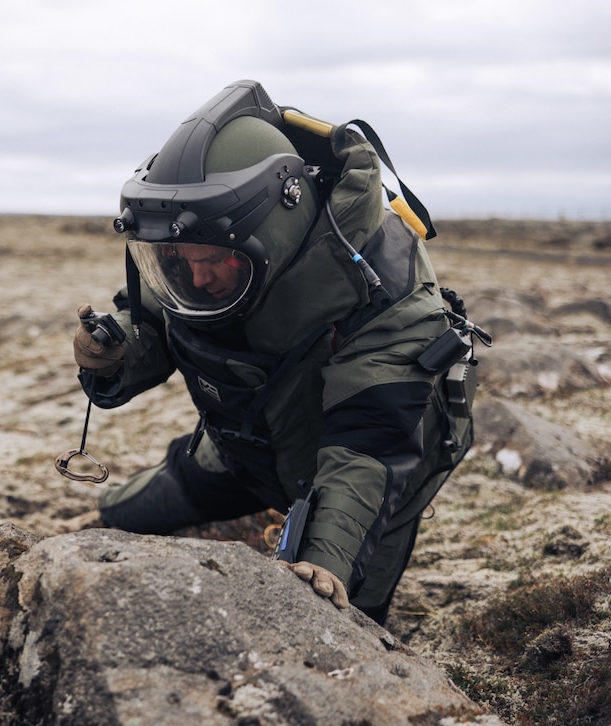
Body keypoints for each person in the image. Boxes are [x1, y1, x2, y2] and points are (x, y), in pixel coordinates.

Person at [72, 80, 483, 624]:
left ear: (277, 234)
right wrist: (116, 348)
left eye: (216, 261)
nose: (198, 277)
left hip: (364, 480)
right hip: (243, 451)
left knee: (340, 622)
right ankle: (115, 512)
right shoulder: (204, 251)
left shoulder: (386, 296)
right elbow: (155, 315)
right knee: (120, 513)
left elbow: (369, 448)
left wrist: (326, 558)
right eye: (178, 260)